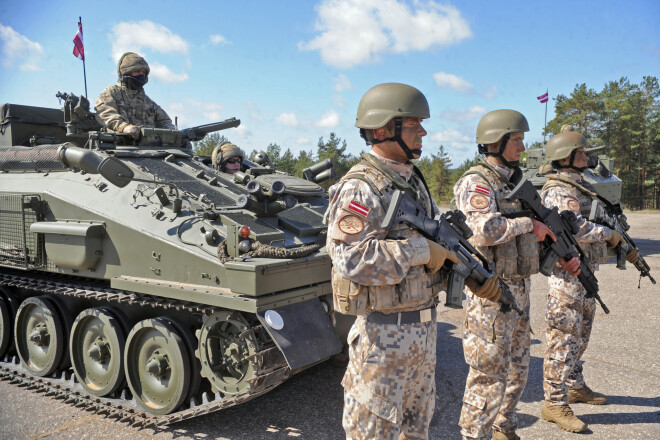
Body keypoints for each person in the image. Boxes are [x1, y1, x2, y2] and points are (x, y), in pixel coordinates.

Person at [326, 83, 500, 440]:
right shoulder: (361, 187)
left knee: (416, 432)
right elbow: (351, 258)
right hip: (383, 340)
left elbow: (434, 239)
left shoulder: (411, 180)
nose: (423, 131)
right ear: (382, 129)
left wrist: (460, 267)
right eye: (413, 124)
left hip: (422, 337)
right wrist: (422, 252)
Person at [453, 109, 572, 440]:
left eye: (522, 139)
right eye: (516, 139)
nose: (522, 146)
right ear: (495, 141)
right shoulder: (476, 182)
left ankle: (503, 426)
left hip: (519, 289)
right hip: (490, 294)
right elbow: (481, 230)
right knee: (487, 375)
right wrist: (528, 225)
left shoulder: (515, 183)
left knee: (519, 369)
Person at [539, 130, 635, 433]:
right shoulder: (558, 189)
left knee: (581, 333)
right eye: (581, 153)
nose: (587, 157)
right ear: (566, 156)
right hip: (567, 275)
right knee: (562, 338)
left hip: (585, 272)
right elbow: (576, 226)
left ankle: (575, 385)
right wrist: (610, 234)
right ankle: (554, 402)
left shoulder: (578, 185)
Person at [95, 52, 175, 139]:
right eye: (137, 71)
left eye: (143, 72)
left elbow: (164, 121)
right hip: (120, 147)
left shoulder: (148, 102)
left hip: (150, 148)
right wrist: (123, 127)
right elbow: (105, 113)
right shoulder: (112, 93)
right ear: (126, 72)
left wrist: (172, 130)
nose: (141, 75)